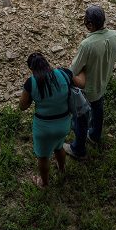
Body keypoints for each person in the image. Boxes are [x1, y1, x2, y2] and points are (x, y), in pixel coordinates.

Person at [63, 5, 116, 160]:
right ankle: (95, 135)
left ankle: (78, 149)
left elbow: (73, 70)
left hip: (87, 89)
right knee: (98, 108)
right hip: (103, 82)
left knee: (80, 118)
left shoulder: (87, 44)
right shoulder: (115, 35)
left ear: (89, 24)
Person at [19, 52, 76, 187]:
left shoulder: (31, 82)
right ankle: (62, 169)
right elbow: (79, 84)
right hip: (64, 124)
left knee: (43, 157)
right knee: (59, 146)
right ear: (46, 63)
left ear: (31, 69)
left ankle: (44, 183)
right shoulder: (63, 73)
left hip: (43, 128)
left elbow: (22, 106)